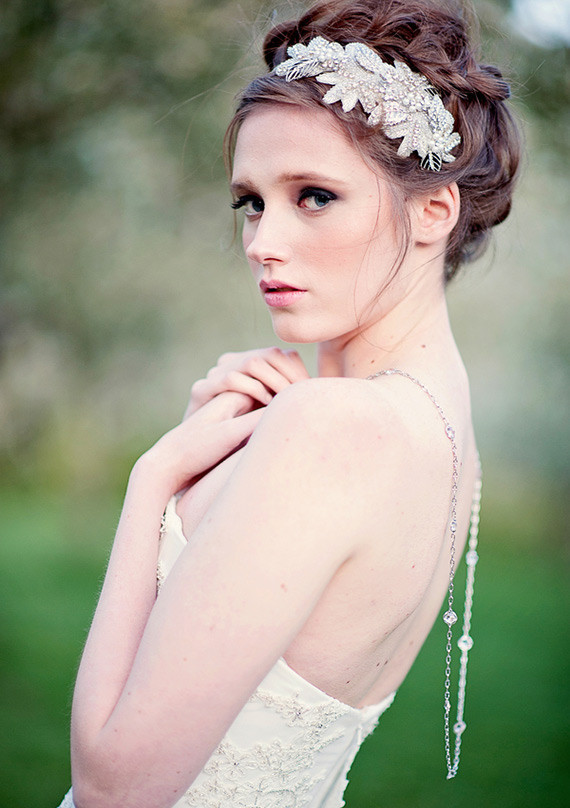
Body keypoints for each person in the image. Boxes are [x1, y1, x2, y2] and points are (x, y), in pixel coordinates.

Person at [57, 0, 520, 806]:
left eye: (312, 195)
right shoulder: (442, 435)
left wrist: (154, 478)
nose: (263, 241)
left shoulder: (331, 429)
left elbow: (111, 787)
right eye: (251, 201)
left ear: (432, 212)